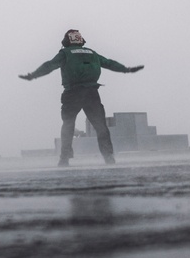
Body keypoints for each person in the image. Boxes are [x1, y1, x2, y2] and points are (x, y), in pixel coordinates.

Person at [19, 30, 143, 167]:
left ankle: (64, 158)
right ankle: (109, 157)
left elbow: (49, 66)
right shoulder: (91, 53)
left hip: (72, 93)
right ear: (81, 40)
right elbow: (109, 63)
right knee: (101, 127)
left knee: (68, 125)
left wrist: (33, 75)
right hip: (92, 93)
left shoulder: (65, 53)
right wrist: (126, 69)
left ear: (66, 41)